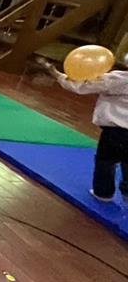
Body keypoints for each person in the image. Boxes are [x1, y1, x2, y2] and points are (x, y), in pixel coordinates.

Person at [44, 59, 128, 201]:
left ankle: (103, 193)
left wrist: (56, 74)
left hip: (116, 132)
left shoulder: (119, 79)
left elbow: (81, 87)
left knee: (106, 160)